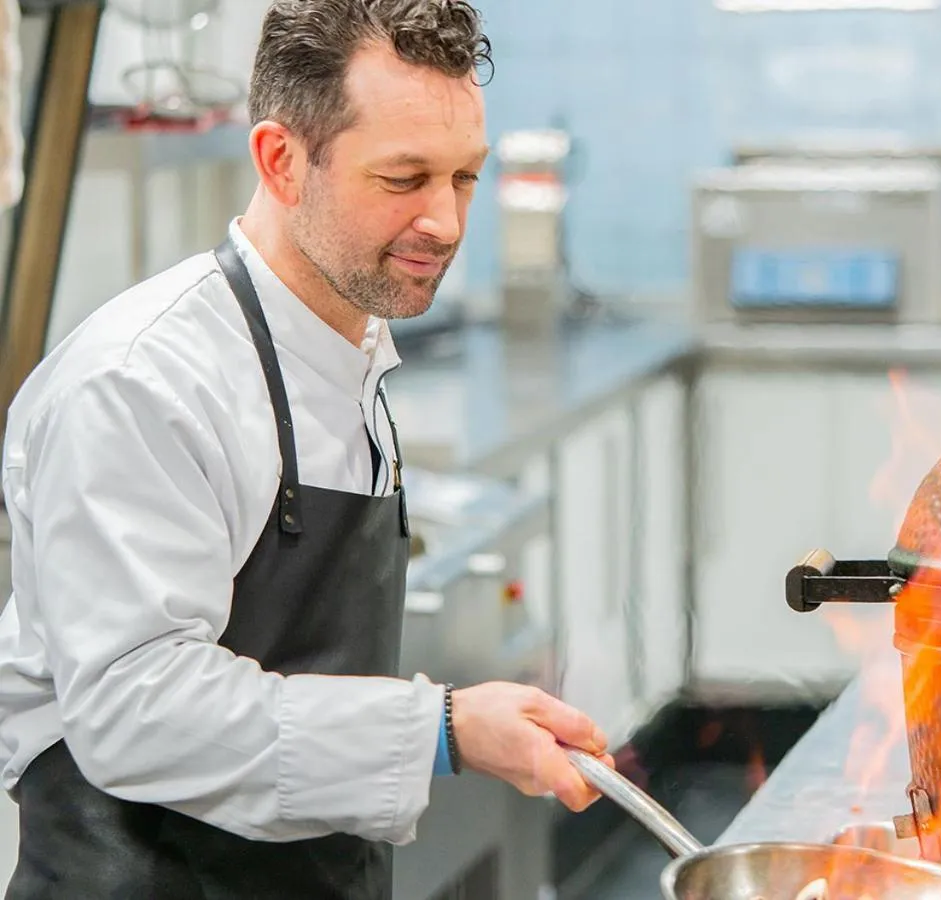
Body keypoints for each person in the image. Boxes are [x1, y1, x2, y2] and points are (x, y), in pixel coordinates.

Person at [0, 1, 614, 897]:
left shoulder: (349, 351)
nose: (446, 221)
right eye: (404, 178)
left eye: (464, 178)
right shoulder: (141, 382)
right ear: (282, 161)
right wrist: (441, 728)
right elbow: (137, 712)